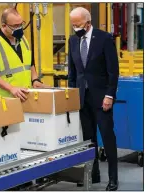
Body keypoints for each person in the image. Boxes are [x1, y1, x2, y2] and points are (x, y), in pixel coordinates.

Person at [68, 7, 119, 191]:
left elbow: (113, 71)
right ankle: (93, 174)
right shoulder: (73, 40)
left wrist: (109, 95)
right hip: (83, 98)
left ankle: (113, 178)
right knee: (89, 140)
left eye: (78, 24)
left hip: (101, 98)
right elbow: (72, 73)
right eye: (73, 25)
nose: (75, 28)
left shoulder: (104, 39)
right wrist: (72, 95)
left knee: (107, 137)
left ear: (88, 22)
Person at [0, 8, 48, 100]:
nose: (20, 28)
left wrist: (35, 80)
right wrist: (11, 88)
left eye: (21, 24)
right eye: (16, 26)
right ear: (4, 26)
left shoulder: (23, 40)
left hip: (23, 97)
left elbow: (30, 64)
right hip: (1, 100)